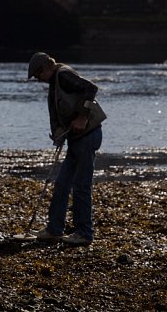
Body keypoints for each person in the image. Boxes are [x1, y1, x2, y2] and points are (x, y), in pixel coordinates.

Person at [27, 52, 107, 246]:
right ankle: (54, 230)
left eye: (38, 76)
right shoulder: (55, 81)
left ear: (45, 68)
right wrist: (59, 133)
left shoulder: (63, 75)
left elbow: (91, 88)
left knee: (81, 186)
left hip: (88, 136)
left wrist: (82, 117)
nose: (39, 80)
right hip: (75, 139)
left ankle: (84, 233)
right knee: (62, 184)